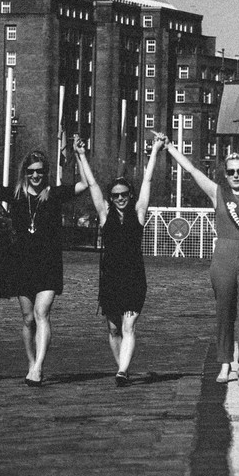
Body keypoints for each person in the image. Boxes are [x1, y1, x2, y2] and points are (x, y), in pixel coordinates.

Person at [165, 126, 239, 387]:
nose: (236, 175)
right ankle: (225, 362)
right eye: (231, 172)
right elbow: (192, 171)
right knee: (224, 311)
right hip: (223, 258)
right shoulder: (218, 193)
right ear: (225, 174)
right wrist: (171, 148)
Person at [0, 139, 89, 386]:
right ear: (24, 173)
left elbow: (85, 184)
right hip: (22, 264)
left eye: (39, 171)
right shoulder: (16, 195)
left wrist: (80, 155)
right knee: (28, 319)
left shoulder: (54, 195)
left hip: (48, 264)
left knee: (42, 313)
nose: (35, 175)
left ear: (45, 173)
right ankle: (31, 361)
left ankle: (38, 367)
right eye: (31, 172)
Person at [75, 132, 164, 387]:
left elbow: (147, 180)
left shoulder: (138, 213)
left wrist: (155, 151)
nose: (121, 198)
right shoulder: (104, 215)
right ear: (110, 198)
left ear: (130, 194)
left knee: (128, 326)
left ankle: (123, 370)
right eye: (115, 195)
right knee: (113, 329)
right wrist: (81, 156)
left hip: (134, 278)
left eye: (124, 194)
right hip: (111, 278)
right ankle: (121, 368)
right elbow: (92, 186)